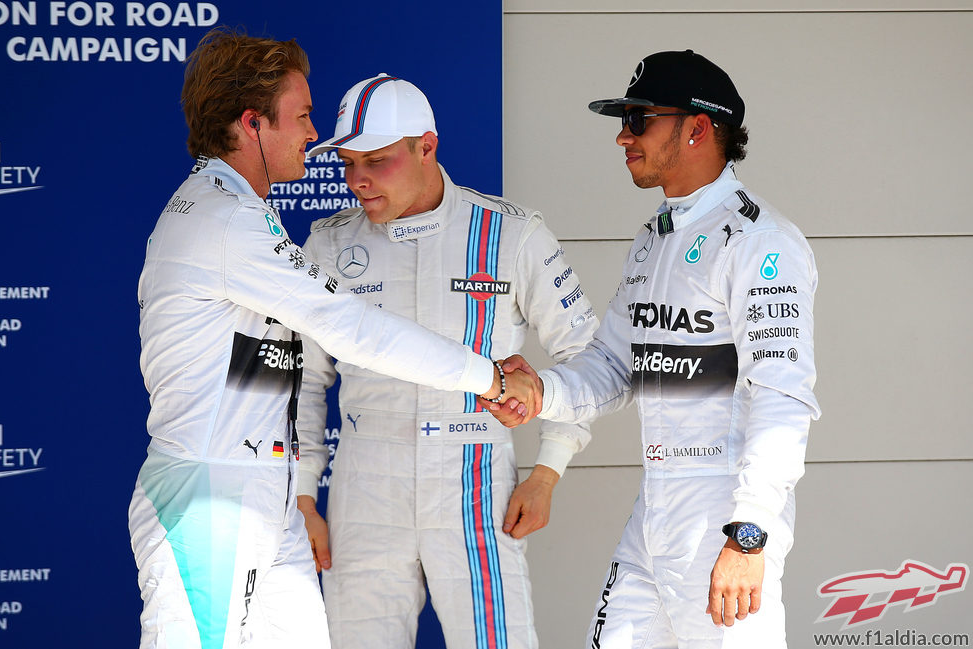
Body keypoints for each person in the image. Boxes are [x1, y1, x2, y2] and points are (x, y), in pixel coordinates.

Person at [128, 31, 533, 649]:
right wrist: (490, 378)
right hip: (211, 502)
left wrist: (298, 490)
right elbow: (353, 328)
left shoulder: (240, 210)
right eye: (302, 116)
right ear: (251, 124)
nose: (313, 135)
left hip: (264, 498)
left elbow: (285, 365)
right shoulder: (223, 219)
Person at [491, 50, 821, 648]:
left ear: (697, 128)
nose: (622, 136)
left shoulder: (763, 243)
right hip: (655, 509)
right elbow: (614, 366)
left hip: (726, 514)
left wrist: (749, 534)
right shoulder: (653, 239)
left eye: (639, 119)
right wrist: (542, 392)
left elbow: (782, 400)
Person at [295, 73, 599, 649]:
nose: (356, 180)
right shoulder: (327, 244)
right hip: (364, 483)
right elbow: (305, 384)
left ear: (426, 147)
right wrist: (305, 496)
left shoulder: (512, 233)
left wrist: (548, 469)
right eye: (347, 163)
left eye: (377, 162)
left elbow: (583, 354)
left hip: (477, 479)